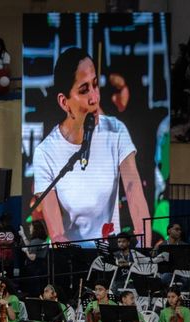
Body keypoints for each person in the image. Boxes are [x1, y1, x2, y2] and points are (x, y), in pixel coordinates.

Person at [32, 47, 150, 243]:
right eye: (84, 90)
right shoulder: (45, 153)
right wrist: (73, 256)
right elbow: (57, 232)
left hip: (111, 252)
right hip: (73, 255)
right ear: (64, 102)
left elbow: (134, 191)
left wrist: (144, 247)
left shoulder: (116, 130)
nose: (95, 98)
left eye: (95, 85)